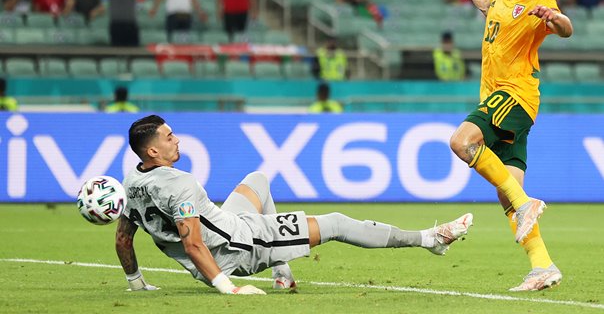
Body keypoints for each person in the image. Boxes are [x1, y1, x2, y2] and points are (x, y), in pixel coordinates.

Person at [115, 115, 473, 293]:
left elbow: (123, 239)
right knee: (336, 222)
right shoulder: (181, 184)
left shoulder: (132, 181)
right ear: (152, 151)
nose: (176, 140)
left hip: (224, 225)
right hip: (239, 246)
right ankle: (430, 239)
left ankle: (282, 272)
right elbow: (192, 242)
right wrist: (230, 288)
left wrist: (136, 282)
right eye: (168, 137)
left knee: (257, 178)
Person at [449, 0, 573, 291]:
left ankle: (526, 204)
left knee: (461, 142)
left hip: (515, 95)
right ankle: (542, 265)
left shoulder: (539, 1)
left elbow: (566, 29)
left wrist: (554, 17)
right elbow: (487, 3)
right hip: (495, 96)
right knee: (507, 193)